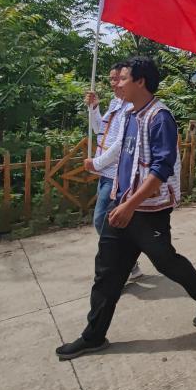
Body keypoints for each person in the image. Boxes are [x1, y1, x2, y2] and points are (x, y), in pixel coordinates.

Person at [57, 57, 196, 360]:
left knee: (166, 262)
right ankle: (93, 336)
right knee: (107, 273)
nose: (117, 84)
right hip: (121, 204)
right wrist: (100, 169)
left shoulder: (160, 118)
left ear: (140, 81)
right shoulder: (129, 115)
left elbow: (161, 168)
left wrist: (130, 206)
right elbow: (119, 151)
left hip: (148, 211)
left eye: (122, 79)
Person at [84, 62, 141, 281]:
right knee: (109, 221)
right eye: (112, 79)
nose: (114, 83)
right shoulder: (115, 103)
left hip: (115, 174)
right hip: (105, 173)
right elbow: (100, 130)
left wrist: (97, 163)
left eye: (119, 78)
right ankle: (129, 263)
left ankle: (121, 265)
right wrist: (94, 108)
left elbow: (121, 144)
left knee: (102, 220)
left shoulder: (131, 107)